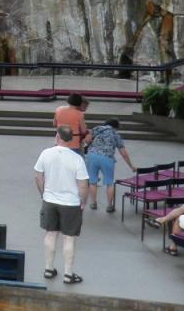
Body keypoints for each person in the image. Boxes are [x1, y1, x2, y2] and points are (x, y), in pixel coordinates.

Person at [34, 125, 90, 285]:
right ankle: (68, 274)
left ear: (58, 137)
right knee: (69, 238)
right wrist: (83, 201)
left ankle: (49, 269)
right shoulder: (77, 159)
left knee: (50, 234)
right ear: (71, 139)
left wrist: (43, 194)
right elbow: (83, 185)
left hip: (50, 200)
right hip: (70, 203)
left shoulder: (46, 153)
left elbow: (38, 176)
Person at [83, 119, 135, 212]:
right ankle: (109, 206)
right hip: (107, 158)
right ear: (116, 127)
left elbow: (86, 140)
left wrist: (93, 144)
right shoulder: (116, 134)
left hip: (92, 156)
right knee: (109, 182)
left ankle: (93, 203)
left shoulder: (97, 128)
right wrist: (131, 166)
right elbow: (123, 152)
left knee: (92, 181)